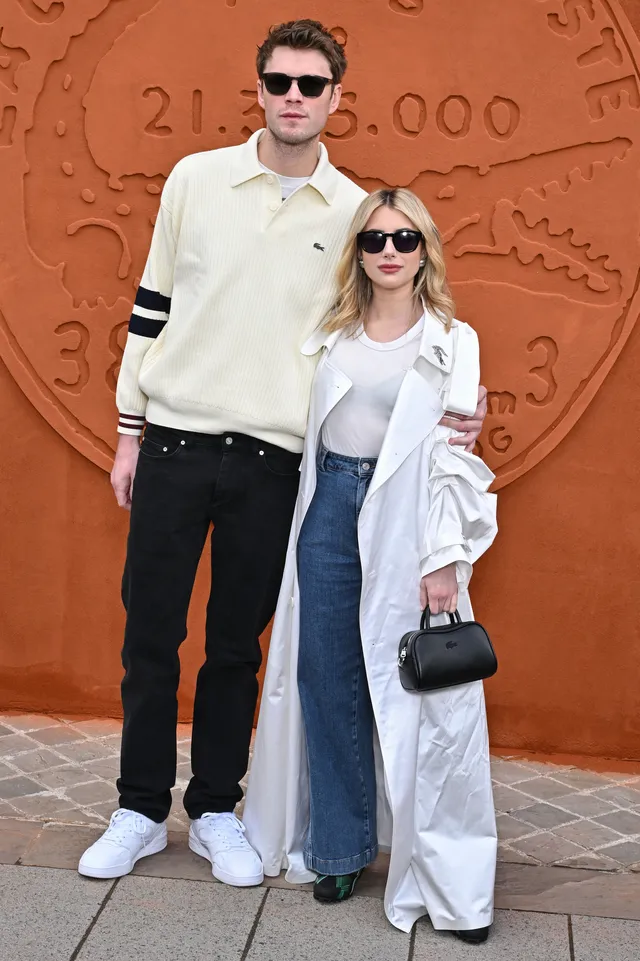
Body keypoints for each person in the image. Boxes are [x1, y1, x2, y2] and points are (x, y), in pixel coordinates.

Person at [78, 21, 487, 886]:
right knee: (149, 635)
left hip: (274, 459)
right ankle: (140, 809)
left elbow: (391, 320)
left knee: (236, 644)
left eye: (310, 83)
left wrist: (457, 401)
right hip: (176, 439)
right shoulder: (195, 179)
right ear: (258, 88)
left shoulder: (353, 214)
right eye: (278, 81)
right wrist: (128, 428)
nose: (292, 96)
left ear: (337, 96)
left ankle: (217, 808)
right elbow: (150, 302)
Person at [243, 188, 498, 944]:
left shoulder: (455, 340)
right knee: (328, 675)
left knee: (423, 694)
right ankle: (341, 848)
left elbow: (456, 459)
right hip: (328, 506)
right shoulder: (330, 333)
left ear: (426, 250)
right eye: (375, 239)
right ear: (357, 251)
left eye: (406, 238)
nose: (390, 251)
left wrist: (443, 557)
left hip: (406, 519)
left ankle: (442, 872)